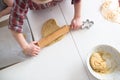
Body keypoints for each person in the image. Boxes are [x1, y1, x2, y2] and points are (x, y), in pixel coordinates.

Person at [8, 0, 81, 56]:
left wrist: (77, 16)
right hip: (38, 15)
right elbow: (14, 24)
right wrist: (25, 47)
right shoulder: (21, 1)